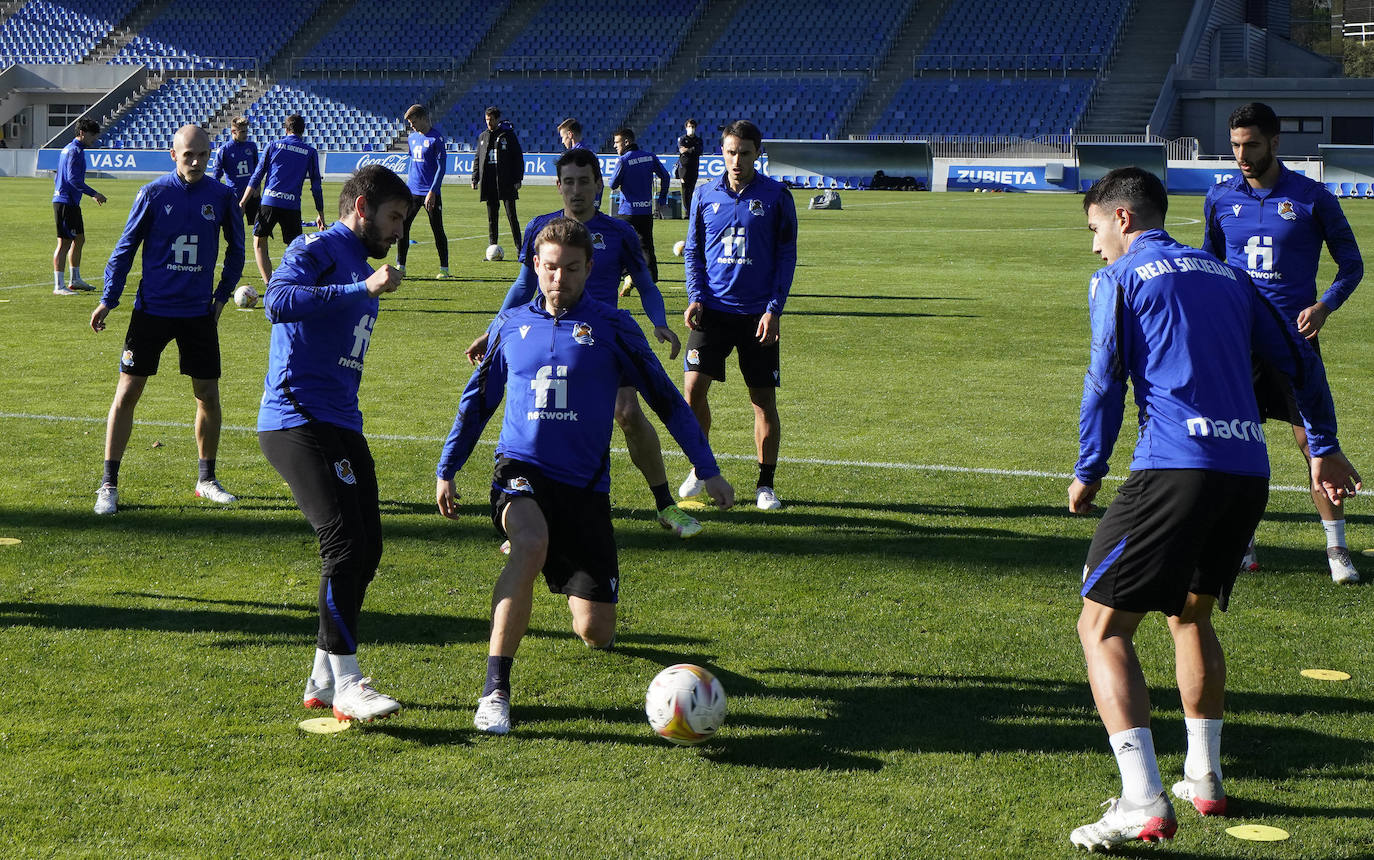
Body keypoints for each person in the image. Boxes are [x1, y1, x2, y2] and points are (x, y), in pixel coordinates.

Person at [1067, 167, 1361, 851]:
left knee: (1101, 628)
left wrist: (1088, 469)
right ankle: (1203, 777)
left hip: (1175, 467)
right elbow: (1297, 358)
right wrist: (1323, 444)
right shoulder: (1230, 277)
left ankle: (1141, 801)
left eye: (1095, 229)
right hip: (1245, 471)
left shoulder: (1119, 279)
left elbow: (1104, 378)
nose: (1094, 247)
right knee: (1189, 614)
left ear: (1124, 219)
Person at [436, 217, 734, 735]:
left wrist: (706, 470)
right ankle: (495, 691)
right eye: (550, 267)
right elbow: (476, 402)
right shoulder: (510, 326)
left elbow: (665, 399)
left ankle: (548, 553)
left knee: (596, 632)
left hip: (586, 489)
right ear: (535, 266)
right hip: (520, 472)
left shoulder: (614, 328)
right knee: (529, 542)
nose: (559, 278)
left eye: (572, 269)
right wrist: (448, 466)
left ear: (589, 269)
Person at [466, 147, 702, 538]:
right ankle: (529, 518)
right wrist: (493, 332)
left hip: (604, 343)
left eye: (584, 181)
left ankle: (665, 505)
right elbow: (524, 287)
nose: (576, 190)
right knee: (548, 419)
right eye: (569, 182)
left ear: (599, 185)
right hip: (550, 343)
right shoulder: (540, 228)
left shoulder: (621, 232)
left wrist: (659, 323)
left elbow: (644, 283)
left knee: (627, 413)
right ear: (559, 186)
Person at [257, 165, 409, 723]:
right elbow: (278, 300)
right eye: (394, 216)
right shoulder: (320, 246)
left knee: (367, 548)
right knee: (343, 545)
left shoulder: (357, 261)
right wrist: (359, 288)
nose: (398, 230)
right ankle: (349, 681)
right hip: (296, 417)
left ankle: (321, 679)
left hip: (342, 421)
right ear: (363, 207)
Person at [1203, 101, 1364, 584]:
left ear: (1275, 142)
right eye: (1235, 145)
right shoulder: (1218, 198)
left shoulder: (1313, 197)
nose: (1242, 155)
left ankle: (1336, 549)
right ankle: (1243, 545)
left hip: (1294, 342)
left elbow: (1351, 265)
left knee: (1312, 441)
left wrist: (1324, 306)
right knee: (1237, 442)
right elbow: (1208, 266)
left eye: (1251, 144)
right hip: (1238, 343)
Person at [89, 125, 244, 515]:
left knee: (207, 394)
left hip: (198, 314)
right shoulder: (154, 194)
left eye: (203, 155)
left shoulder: (223, 196)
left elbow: (237, 251)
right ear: (172, 154)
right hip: (152, 310)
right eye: (188, 155)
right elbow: (124, 249)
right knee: (128, 393)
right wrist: (109, 299)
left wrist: (222, 295)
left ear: (211, 155)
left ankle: (206, 479)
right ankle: (108, 484)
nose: (195, 162)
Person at [678, 120, 797, 511]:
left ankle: (765, 485)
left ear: (757, 154)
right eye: (730, 151)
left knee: (762, 399)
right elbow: (694, 251)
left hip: (756, 315)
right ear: (722, 152)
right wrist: (695, 297)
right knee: (692, 391)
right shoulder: (704, 195)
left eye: (745, 153)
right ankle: (701, 467)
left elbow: (785, 257)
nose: (736, 159)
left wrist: (774, 310)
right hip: (711, 310)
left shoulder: (777, 197)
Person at [241, 114, 325, 284]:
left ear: (286, 130)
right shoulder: (310, 152)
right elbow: (316, 185)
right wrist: (320, 213)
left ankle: (269, 283)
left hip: (269, 202)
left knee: (259, 242)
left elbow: (257, 175)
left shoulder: (273, 145)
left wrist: (243, 202)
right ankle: (293, 282)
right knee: (294, 249)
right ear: (303, 131)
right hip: (292, 206)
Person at [52, 118, 107, 296]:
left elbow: (60, 176)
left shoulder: (71, 149)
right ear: (82, 133)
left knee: (79, 239)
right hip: (65, 202)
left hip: (70, 202)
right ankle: (59, 286)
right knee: (64, 242)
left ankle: (75, 279)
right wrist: (94, 193)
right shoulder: (74, 151)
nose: (94, 139)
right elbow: (72, 179)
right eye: (92, 135)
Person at [609, 126, 670, 287]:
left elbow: (612, 184)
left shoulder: (623, 160)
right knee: (647, 245)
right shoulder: (650, 157)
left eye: (617, 142)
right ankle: (651, 280)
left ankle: (626, 274)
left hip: (627, 211)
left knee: (618, 241)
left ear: (627, 141)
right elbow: (666, 176)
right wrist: (662, 198)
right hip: (645, 210)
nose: (615, 146)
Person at [399, 104, 451, 279]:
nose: (412, 126)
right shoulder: (412, 138)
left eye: (413, 122)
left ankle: (444, 268)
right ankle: (401, 266)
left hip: (431, 194)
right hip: (412, 192)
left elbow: (441, 168)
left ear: (422, 118)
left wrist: (433, 191)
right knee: (403, 227)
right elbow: (413, 163)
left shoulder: (437, 139)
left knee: (437, 230)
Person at [472, 106, 523, 253]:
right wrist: (475, 178)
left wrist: (518, 178)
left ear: (497, 119)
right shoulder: (483, 136)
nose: (489, 123)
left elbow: (518, 158)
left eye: (491, 120)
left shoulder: (508, 135)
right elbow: (477, 158)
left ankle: (520, 249)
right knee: (492, 217)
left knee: (511, 216)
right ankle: (492, 247)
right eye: (487, 120)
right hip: (489, 182)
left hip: (506, 181)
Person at [213, 116, 259, 234]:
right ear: (233, 132)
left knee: (260, 229)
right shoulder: (224, 150)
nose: (246, 134)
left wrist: (258, 187)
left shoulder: (252, 147)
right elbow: (217, 176)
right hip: (235, 195)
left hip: (252, 193)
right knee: (234, 229)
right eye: (242, 132)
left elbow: (257, 169)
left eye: (246, 131)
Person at [675, 118, 703, 217]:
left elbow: (699, 151)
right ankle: (687, 212)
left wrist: (689, 150)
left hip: (694, 167)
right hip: (684, 168)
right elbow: (682, 150)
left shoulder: (698, 140)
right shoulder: (682, 139)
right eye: (689, 127)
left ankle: (691, 210)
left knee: (691, 190)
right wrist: (692, 149)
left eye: (693, 127)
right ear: (686, 128)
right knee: (685, 190)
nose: (691, 128)